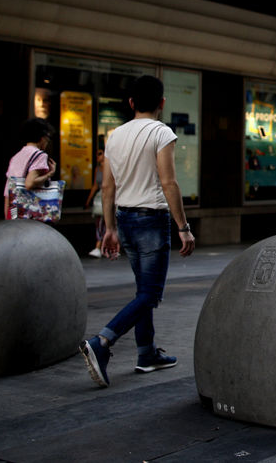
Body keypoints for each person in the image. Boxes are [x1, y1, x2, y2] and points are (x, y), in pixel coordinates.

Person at [80, 75, 196, 388]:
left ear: (131, 103)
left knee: (142, 291)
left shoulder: (114, 135)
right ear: (162, 103)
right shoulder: (161, 132)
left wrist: (110, 228)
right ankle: (102, 342)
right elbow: (169, 182)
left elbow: (107, 187)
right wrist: (184, 228)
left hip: (125, 220)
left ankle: (146, 354)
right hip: (152, 221)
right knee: (150, 294)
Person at [3, 118, 56, 221]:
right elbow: (29, 183)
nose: (47, 141)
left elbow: (8, 190)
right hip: (31, 213)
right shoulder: (40, 155)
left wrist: (7, 216)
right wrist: (50, 174)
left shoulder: (16, 156)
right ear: (42, 138)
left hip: (13, 210)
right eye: (47, 138)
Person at [84, 144, 107, 257]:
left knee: (107, 222)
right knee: (100, 221)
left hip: (110, 196)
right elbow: (94, 186)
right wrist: (87, 201)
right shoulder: (97, 169)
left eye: (100, 153)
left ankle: (100, 246)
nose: (97, 156)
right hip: (99, 197)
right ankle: (99, 246)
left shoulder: (111, 167)